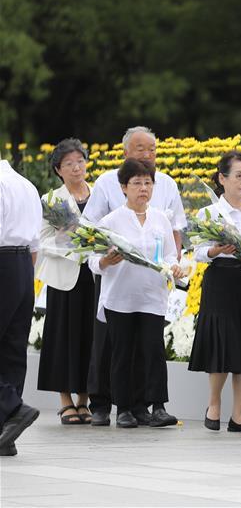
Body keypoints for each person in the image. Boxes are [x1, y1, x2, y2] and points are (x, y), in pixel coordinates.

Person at [82, 126, 187, 426]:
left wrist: (174, 266)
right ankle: (124, 408)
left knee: (153, 351)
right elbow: (92, 257)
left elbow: (170, 253)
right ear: (124, 188)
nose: (143, 188)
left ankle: (155, 407)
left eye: (148, 183)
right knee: (121, 353)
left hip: (152, 295)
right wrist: (105, 261)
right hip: (121, 297)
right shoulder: (111, 220)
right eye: (137, 183)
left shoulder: (160, 219)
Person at [189, 151, 241, 433]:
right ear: (222, 179)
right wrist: (215, 250)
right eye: (238, 176)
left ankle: (239, 415)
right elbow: (197, 252)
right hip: (221, 280)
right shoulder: (209, 213)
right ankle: (214, 404)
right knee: (221, 343)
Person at [35, 139, 96, 424]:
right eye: (69, 164)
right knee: (63, 336)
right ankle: (65, 401)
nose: (76, 168)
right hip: (64, 277)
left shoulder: (99, 195)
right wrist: (65, 238)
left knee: (90, 335)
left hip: (95, 274)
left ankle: (85, 400)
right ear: (58, 170)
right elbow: (41, 241)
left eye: (80, 162)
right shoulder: (51, 200)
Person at [0, 158, 42, 456]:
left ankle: (13, 408)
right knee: (12, 351)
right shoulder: (26, 185)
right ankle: (6, 434)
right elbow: (35, 244)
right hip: (23, 265)